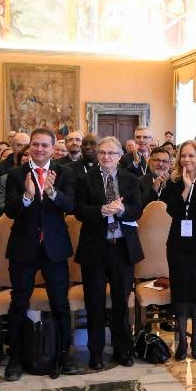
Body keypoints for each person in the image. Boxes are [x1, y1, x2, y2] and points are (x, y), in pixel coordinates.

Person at [0, 127, 78, 380]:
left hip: (54, 248)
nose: (39, 149)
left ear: (53, 148)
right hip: (24, 247)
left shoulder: (64, 173)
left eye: (45, 145)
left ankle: (64, 353)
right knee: (19, 302)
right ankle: (16, 356)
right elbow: (9, 211)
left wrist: (52, 193)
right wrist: (27, 195)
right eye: (35, 145)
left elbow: (71, 206)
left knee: (60, 303)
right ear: (29, 147)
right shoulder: (15, 174)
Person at [76, 137, 145, 369]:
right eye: (102, 153)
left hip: (121, 248)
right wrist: (101, 211)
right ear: (97, 155)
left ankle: (122, 349)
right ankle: (95, 352)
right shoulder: (85, 180)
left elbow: (137, 210)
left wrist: (123, 210)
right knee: (94, 302)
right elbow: (79, 211)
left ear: (119, 156)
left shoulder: (131, 180)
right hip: (95, 249)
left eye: (112, 153)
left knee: (120, 303)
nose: (107, 157)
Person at [161, 140, 196, 360]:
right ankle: (182, 339)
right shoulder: (173, 182)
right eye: (183, 156)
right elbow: (173, 211)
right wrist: (185, 188)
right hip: (178, 244)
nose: (187, 160)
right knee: (181, 289)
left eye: (191, 156)